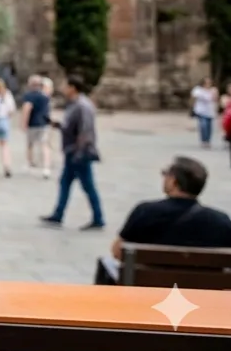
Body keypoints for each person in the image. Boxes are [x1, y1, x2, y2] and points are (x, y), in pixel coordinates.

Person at [94, 156, 231, 284]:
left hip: (149, 289)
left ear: (173, 181)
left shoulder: (145, 211)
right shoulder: (220, 220)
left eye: (165, 174)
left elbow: (117, 251)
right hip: (201, 291)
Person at [41, 75, 105, 230]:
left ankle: (98, 217)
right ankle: (58, 214)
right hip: (71, 151)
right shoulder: (74, 105)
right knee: (65, 182)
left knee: (88, 185)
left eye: (66, 86)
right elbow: (70, 126)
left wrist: (80, 151)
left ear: (73, 88)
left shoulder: (82, 106)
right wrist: (56, 124)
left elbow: (85, 131)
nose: (63, 88)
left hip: (78, 152)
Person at [20, 74, 52, 178]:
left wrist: (24, 123)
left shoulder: (29, 96)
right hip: (43, 123)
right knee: (44, 145)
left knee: (30, 144)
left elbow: (27, 108)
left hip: (32, 123)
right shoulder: (45, 96)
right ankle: (46, 167)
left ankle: (30, 162)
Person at [190, 77, 218, 149]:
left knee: (209, 127)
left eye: (209, 83)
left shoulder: (213, 90)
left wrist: (214, 93)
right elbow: (193, 97)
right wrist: (192, 107)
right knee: (203, 125)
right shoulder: (198, 90)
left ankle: (208, 141)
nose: (208, 84)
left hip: (210, 111)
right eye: (206, 83)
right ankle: (204, 141)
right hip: (201, 111)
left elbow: (215, 99)